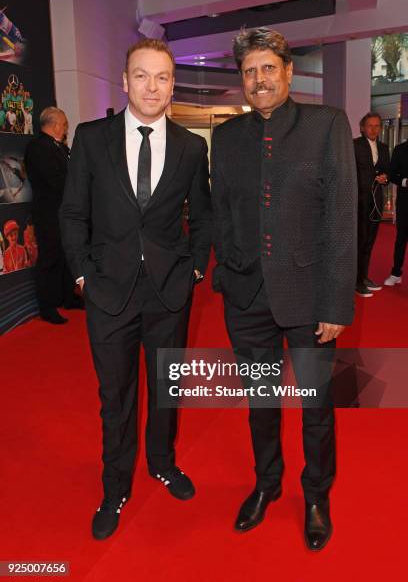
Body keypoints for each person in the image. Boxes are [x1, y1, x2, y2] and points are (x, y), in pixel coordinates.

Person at [60, 38, 212, 540]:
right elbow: (73, 213)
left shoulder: (191, 147)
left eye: (162, 77)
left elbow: (202, 215)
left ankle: (163, 463)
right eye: (141, 76)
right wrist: (82, 273)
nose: (152, 86)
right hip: (107, 291)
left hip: (169, 292)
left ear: (173, 85)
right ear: (125, 82)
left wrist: (193, 270)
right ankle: (115, 484)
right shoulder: (89, 137)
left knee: (167, 390)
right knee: (116, 395)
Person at [211, 27, 357, 551]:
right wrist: (227, 276)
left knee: (315, 405)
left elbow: (341, 218)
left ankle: (316, 494)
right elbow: (222, 211)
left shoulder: (326, 125)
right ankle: (266, 484)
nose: (259, 79)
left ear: (288, 72)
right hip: (247, 297)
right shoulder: (227, 137)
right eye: (250, 72)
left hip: (309, 297)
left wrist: (337, 301)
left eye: (268, 68)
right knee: (260, 403)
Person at [25, 106, 81, 324]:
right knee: (49, 259)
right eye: (65, 124)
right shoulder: (38, 148)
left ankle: (68, 297)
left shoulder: (60, 147)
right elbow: (55, 181)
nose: (66, 128)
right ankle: (47, 307)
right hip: (49, 214)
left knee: (67, 257)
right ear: (55, 124)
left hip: (65, 213)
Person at [354, 113, 390, 297]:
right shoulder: (354, 145)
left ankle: (364, 276)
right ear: (362, 127)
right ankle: (357, 282)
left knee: (370, 242)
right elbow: (350, 173)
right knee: (359, 242)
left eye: (377, 126)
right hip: (359, 201)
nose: (374, 129)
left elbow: (387, 171)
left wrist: (386, 178)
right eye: (370, 125)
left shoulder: (384, 148)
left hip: (376, 201)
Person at [384, 140, 408, 286]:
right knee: (401, 238)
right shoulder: (400, 149)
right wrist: (405, 182)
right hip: (405, 202)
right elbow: (391, 174)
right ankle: (395, 273)